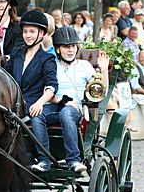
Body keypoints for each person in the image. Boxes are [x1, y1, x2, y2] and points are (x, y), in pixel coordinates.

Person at [0, 10, 57, 172]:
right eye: (25, 31)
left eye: (32, 31)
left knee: (36, 116)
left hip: (32, 104)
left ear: (41, 34)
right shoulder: (17, 53)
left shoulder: (47, 58)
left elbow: (52, 86)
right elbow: (5, 77)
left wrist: (40, 103)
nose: (28, 35)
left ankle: (44, 160)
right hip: (13, 103)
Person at [47, 26, 110, 170]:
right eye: (66, 47)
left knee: (66, 113)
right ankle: (41, 159)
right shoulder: (51, 65)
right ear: (58, 49)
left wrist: (104, 70)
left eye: (73, 46)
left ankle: (73, 160)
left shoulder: (84, 66)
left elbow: (100, 90)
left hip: (74, 109)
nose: (70, 50)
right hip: (53, 106)